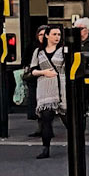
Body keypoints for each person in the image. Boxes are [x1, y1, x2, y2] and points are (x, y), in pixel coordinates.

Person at [29, 24, 66, 158]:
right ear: (47, 36)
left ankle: (77, 145)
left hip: (61, 87)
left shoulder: (64, 51)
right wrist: (43, 72)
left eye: (59, 35)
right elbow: (32, 70)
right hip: (44, 87)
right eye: (54, 34)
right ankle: (46, 149)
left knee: (67, 118)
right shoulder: (38, 52)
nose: (57, 37)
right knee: (46, 119)